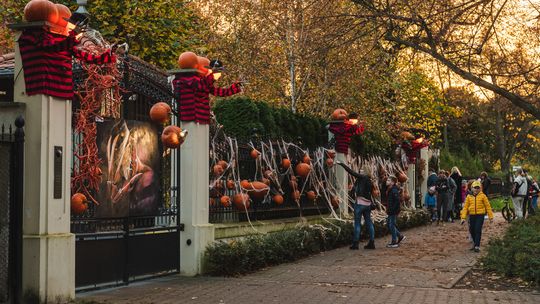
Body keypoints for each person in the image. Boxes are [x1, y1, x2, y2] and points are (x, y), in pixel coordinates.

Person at [335, 161, 375, 250]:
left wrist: (341, 163)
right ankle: (372, 242)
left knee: (357, 223)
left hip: (360, 204)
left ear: (365, 171)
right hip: (368, 204)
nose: (360, 170)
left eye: (361, 169)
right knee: (369, 222)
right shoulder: (369, 180)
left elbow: (351, 172)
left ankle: (355, 243)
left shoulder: (363, 177)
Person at [460, 180, 494, 252]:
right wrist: (463, 218)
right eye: (475, 188)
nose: (476, 189)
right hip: (472, 215)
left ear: (480, 188)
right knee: (472, 230)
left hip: (480, 215)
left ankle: (477, 246)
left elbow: (488, 206)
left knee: (477, 229)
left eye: (478, 188)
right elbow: (465, 207)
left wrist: (491, 217)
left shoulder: (483, 196)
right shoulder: (469, 197)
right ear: (472, 188)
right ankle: (475, 243)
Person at [386, 175, 405, 248]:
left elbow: (397, 201)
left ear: (392, 182)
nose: (387, 181)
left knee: (391, 225)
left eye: (388, 180)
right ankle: (400, 236)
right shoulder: (390, 189)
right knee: (389, 224)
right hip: (391, 210)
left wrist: (392, 210)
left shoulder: (394, 190)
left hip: (393, 211)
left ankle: (394, 242)